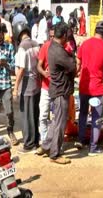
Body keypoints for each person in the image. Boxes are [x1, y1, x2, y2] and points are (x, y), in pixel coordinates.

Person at [76, 21, 103, 155]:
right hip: (97, 89)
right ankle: (93, 148)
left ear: (95, 31)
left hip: (84, 86)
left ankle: (80, 140)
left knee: (83, 113)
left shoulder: (84, 44)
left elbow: (77, 64)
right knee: (96, 117)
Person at [36, 22, 76, 164]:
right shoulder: (59, 51)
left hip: (56, 88)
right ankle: (55, 153)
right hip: (60, 90)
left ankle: (46, 145)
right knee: (60, 123)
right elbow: (72, 66)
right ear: (64, 35)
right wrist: (72, 56)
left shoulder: (52, 46)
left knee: (56, 121)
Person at [13, 22, 41, 153]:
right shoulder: (36, 44)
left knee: (26, 115)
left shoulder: (22, 47)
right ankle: (35, 141)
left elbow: (21, 69)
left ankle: (28, 144)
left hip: (27, 85)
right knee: (35, 114)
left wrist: (15, 87)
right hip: (37, 84)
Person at [36, 26, 55, 143]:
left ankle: (54, 141)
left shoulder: (63, 47)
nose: (52, 39)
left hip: (57, 89)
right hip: (45, 87)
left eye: (54, 36)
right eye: (50, 36)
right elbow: (39, 65)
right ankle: (44, 140)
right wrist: (44, 73)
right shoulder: (45, 47)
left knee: (56, 118)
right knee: (43, 115)